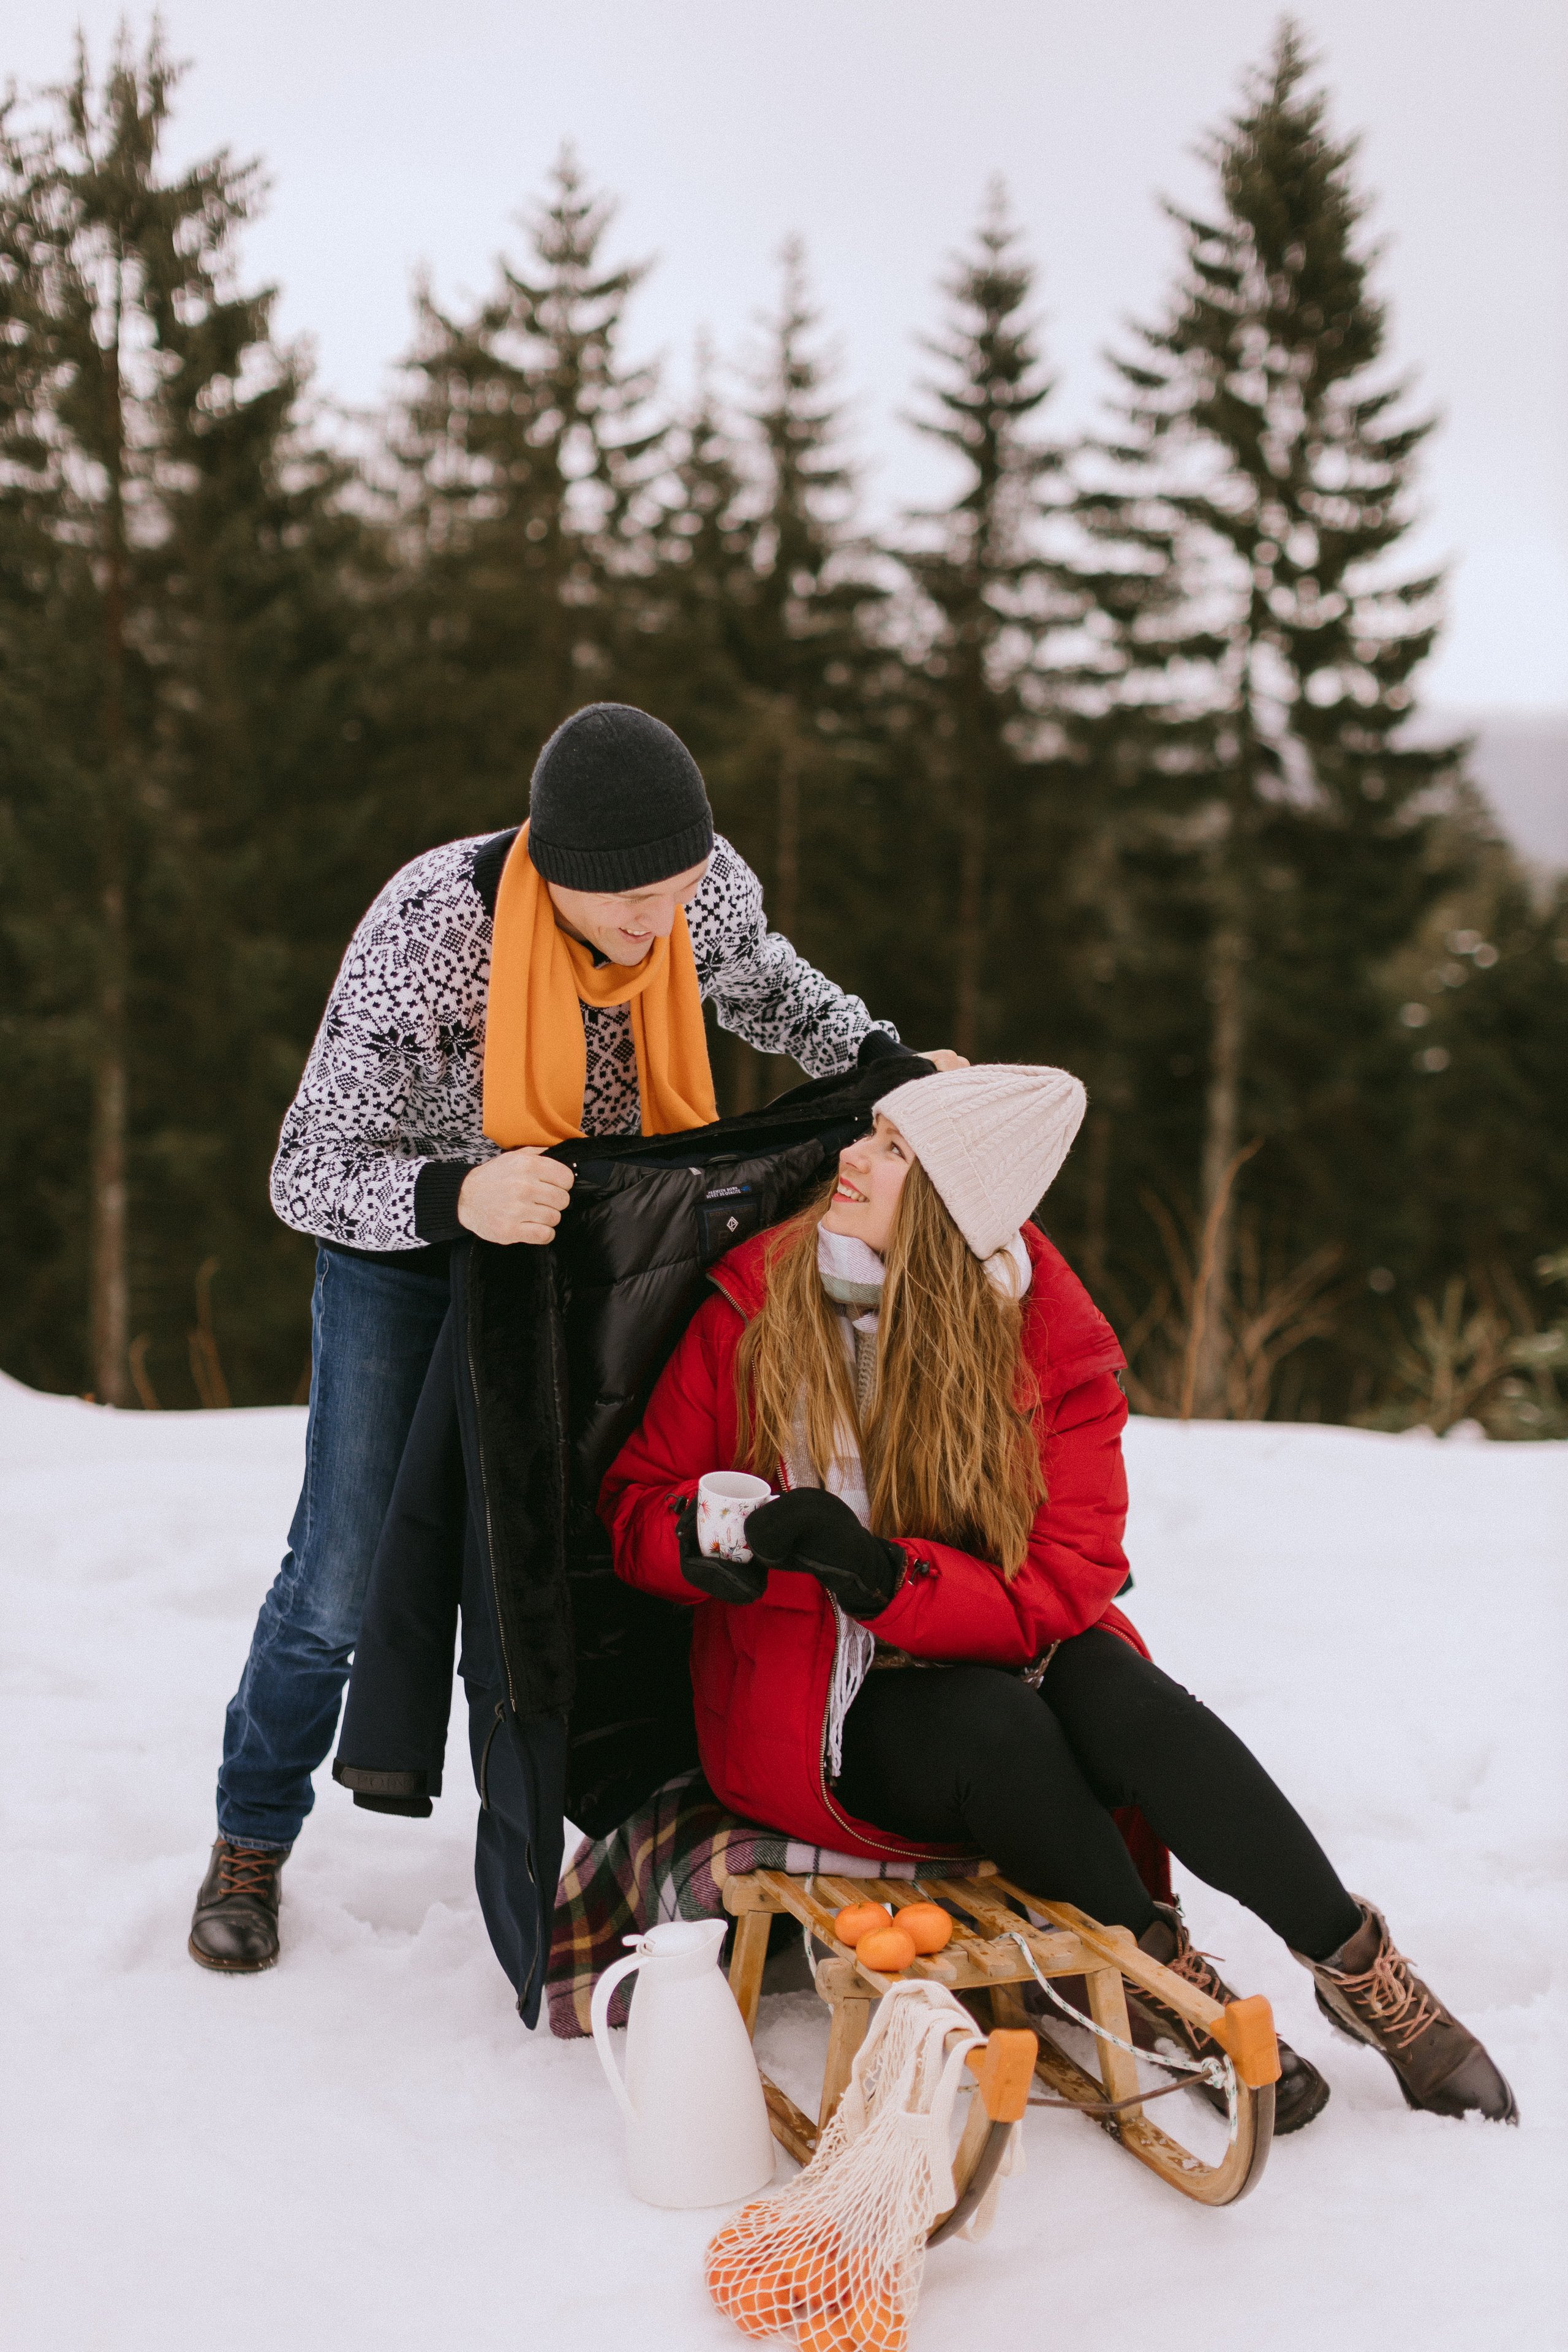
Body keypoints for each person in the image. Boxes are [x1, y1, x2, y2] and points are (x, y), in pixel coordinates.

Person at [189, 701, 962, 1973]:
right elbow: (305, 1167)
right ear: (552, 870)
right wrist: (457, 1196)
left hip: (588, 1248)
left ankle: (632, 1829)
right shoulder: (429, 927)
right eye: (625, 904)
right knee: (339, 1578)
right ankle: (248, 1843)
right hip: (414, 1257)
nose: (655, 925)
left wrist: (887, 1063)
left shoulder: (702, 902)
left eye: (676, 891)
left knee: (594, 1558)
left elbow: (773, 990)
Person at [601, 1063, 1518, 2131]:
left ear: (957, 1202)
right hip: (812, 1703)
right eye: (872, 1132)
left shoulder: (1045, 1339)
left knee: (1129, 1698)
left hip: (977, 1633)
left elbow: (1067, 1576)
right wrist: (706, 1547)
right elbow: (637, 1509)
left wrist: (883, 1575)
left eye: (894, 1150)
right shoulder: (758, 1300)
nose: (849, 1156)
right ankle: (1167, 1982)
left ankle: (1359, 1971)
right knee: (994, 1725)